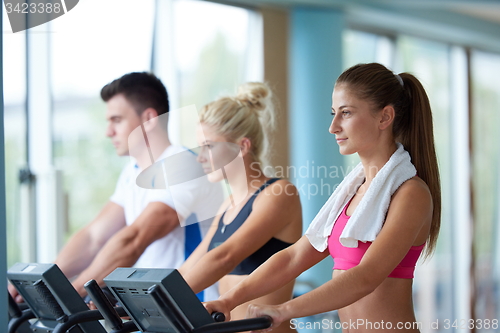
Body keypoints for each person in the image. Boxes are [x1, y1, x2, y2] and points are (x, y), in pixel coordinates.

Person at [204, 63, 441, 333]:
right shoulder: (352, 193)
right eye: (333, 113)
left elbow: (366, 277)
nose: (333, 127)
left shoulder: (411, 194)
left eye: (346, 113)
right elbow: (293, 258)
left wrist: (284, 311)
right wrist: (228, 300)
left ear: (384, 117)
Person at [9, 72, 223, 302]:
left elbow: (135, 239)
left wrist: (74, 291)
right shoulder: (132, 172)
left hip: (194, 308)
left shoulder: (182, 165)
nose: (108, 131)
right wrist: (45, 280)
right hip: (156, 308)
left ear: (149, 119)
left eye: (117, 120)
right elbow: (94, 237)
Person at [178, 82, 302, 331]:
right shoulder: (229, 205)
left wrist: (160, 300)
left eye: (209, 146)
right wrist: (135, 302)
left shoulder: (279, 193)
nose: (200, 157)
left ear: (243, 146)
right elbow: (192, 265)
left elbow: (224, 257)